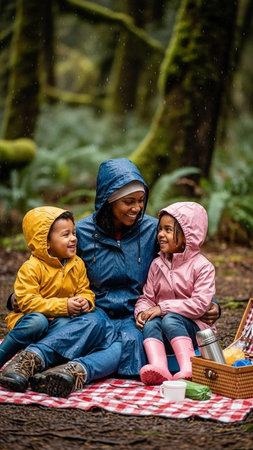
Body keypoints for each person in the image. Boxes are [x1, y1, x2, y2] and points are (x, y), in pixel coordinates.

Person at [1, 159, 219, 397]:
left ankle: (73, 372)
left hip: (135, 314)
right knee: (86, 325)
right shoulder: (81, 233)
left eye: (141, 200)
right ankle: (29, 360)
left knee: (131, 341)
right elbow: (51, 266)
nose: (137, 208)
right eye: (128, 201)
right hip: (95, 309)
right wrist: (17, 298)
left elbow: (183, 262)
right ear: (108, 199)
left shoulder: (153, 231)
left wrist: (212, 304)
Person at [0, 206, 116, 392]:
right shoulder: (32, 268)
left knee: (70, 326)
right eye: (65, 235)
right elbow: (27, 302)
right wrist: (65, 305)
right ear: (45, 242)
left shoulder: (76, 264)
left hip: (58, 323)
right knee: (38, 321)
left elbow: (84, 290)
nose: (73, 239)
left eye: (73, 233)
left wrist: (86, 301)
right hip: (30, 321)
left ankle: (35, 367)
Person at [135, 202, 216, 385]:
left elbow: (199, 305)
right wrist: (142, 312)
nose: (161, 235)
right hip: (166, 331)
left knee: (170, 318)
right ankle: (159, 367)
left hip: (196, 333)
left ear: (188, 236)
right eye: (160, 229)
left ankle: (188, 366)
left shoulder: (202, 267)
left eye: (168, 230)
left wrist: (162, 308)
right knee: (151, 322)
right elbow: (147, 297)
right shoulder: (157, 264)